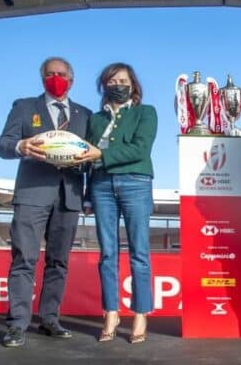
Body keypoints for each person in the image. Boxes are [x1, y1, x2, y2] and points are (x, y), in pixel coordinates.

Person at [0, 57, 91, 347]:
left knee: (58, 262)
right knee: (24, 258)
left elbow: (92, 156)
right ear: (42, 79)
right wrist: (19, 146)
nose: (56, 78)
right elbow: (1, 145)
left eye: (61, 74)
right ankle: (17, 325)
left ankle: (50, 318)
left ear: (71, 80)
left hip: (69, 197)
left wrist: (85, 174)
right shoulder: (24, 107)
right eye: (50, 74)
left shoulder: (85, 114)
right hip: (32, 194)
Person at [74, 62, 157, 344]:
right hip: (100, 186)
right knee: (108, 253)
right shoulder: (95, 119)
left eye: (123, 80)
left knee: (139, 253)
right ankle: (111, 311)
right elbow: (86, 157)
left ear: (133, 84)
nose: (117, 85)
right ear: (104, 86)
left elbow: (140, 148)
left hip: (136, 182)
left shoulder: (146, 113)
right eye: (112, 82)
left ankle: (141, 313)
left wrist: (100, 154)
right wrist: (86, 194)